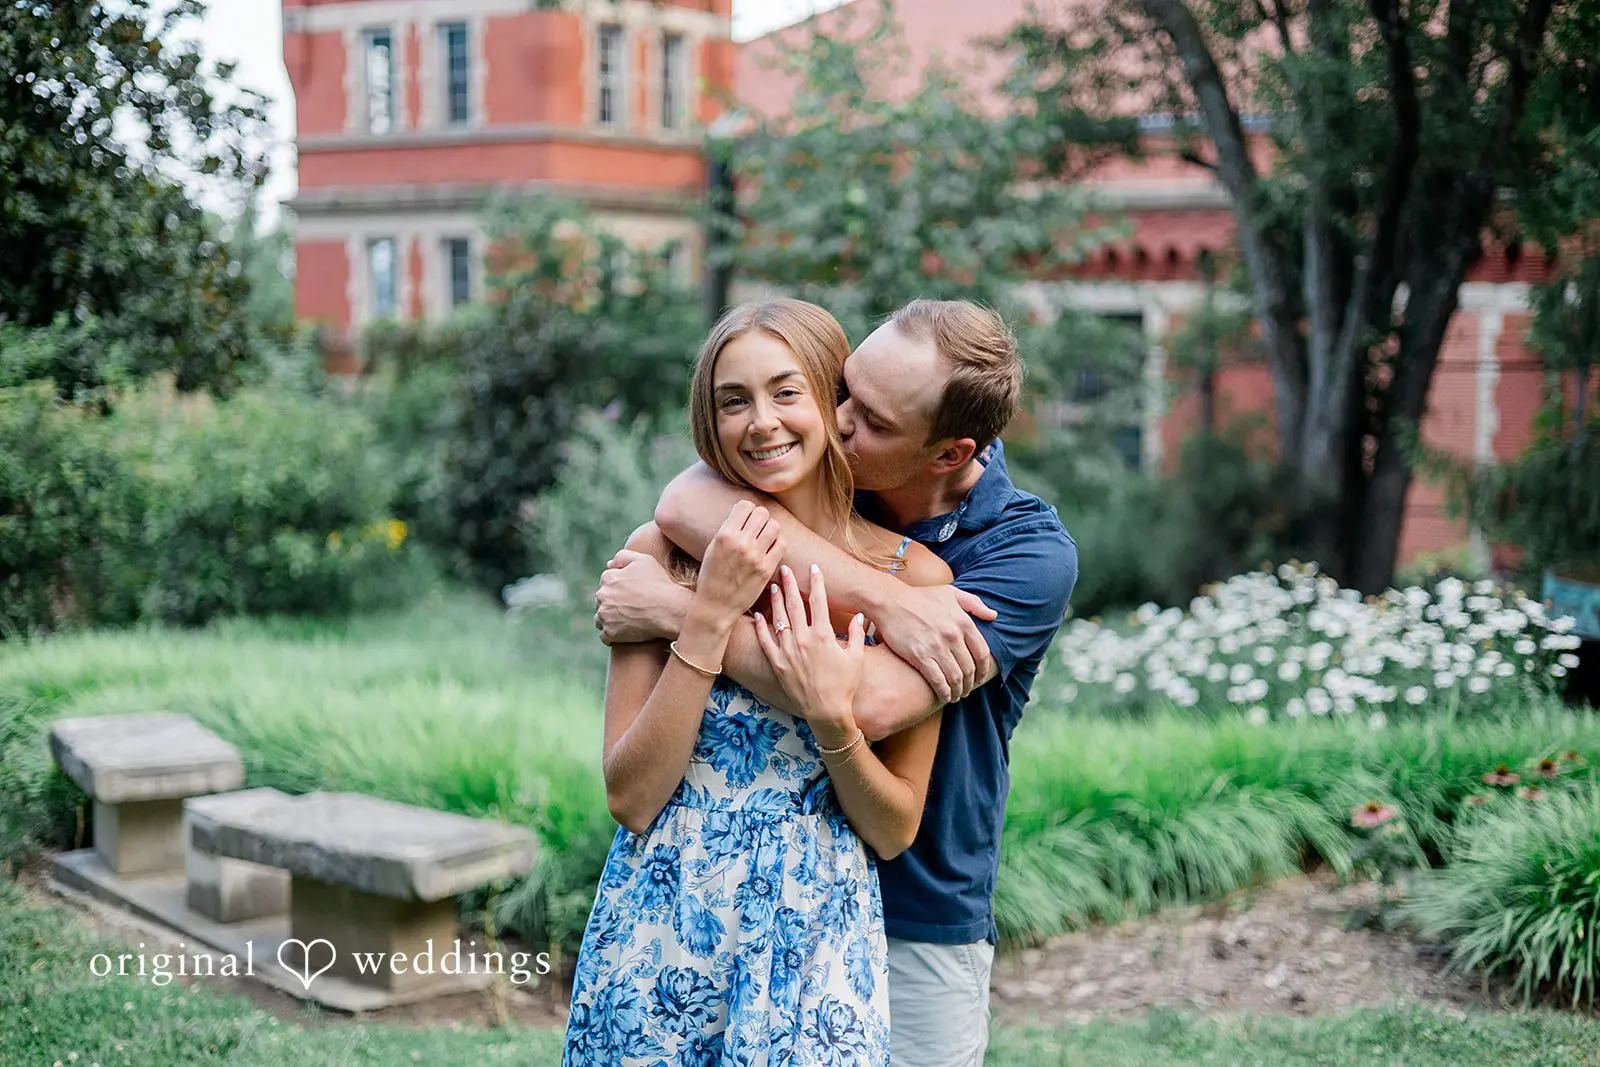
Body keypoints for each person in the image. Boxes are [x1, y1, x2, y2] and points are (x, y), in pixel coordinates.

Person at [595, 299, 1079, 1066]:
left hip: (916, 905)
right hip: (705, 907)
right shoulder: (818, 475)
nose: (840, 419)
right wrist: (889, 603)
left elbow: (865, 702)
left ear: (948, 453)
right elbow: (683, 502)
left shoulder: (1023, 555)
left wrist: (681, 612)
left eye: (872, 419)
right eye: (843, 390)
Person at [562, 299, 957, 1066]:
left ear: (830, 401)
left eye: (785, 391)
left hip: (817, 940)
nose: (761, 422)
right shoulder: (665, 551)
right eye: (732, 400)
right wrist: (705, 613)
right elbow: (631, 797)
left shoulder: (915, 585)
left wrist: (831, 720)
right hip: (662, 927)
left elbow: (892, 828)